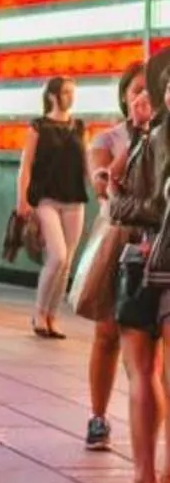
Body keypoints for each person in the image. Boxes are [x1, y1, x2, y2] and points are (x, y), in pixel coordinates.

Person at [109, 50, 170, 483]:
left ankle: (153, 481)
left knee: (150, 373)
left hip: (158, 261)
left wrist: (117, 196)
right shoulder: (149, 138)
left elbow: (144, 205)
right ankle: (146, 479)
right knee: (141, 371)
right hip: (149, 262)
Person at [77, 63, 150, 451]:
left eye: (152, 89)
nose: (144, 97)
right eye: (137, 90)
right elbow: (104, 186)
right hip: (117, 240)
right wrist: (138, 137)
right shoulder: (108, 138)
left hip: (157, 243)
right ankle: (98, 415)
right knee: (107, 333)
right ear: (124, 95)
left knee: (151, 347)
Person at [16, 77, 91, 337]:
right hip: (46, 199)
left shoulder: (79, 127)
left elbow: (87, 165)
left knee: (67, 261)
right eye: (66, 92)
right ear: (52, 96)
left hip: (74, 199)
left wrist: (102, 188)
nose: (71, 97)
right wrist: (22, 200)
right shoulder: (38, 127)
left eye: (73, 92)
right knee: (57, 255)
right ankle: (39, 312)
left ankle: (52, 315)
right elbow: (25, 166)